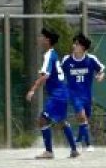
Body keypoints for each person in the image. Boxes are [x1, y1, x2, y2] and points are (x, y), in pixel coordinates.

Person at [26, 27, 78, 159]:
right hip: (62, 93)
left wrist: (32, 89)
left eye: (41, 37)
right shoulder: (53, 54)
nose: (39, 39)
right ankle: (74, 150)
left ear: (47, 40)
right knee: (62, 121)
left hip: (57, 94)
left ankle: (49, 151)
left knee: (42, 120)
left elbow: (45, 76)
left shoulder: (49, 55)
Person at [61, 32, 106, 152]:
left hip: (87, 95)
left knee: (85, 120)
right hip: (74, 94)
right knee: (82, 116)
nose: (73, 46)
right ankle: (83, 143)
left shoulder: (91, 59)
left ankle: (82, 142)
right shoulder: (67, 60)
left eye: (77, 44)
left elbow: (101, 71)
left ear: (83, 47)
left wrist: (100, 76)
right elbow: (59, 73)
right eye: (74, 43)